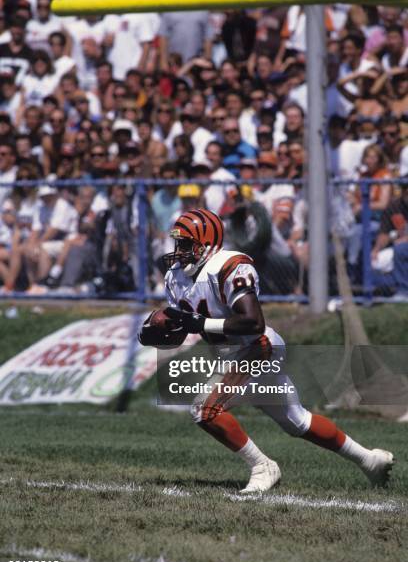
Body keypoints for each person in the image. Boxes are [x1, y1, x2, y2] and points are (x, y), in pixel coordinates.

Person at [138, 208, 394, 492]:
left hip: (258, 347)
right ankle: (370, 460)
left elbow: (252, 322)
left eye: (186, 244)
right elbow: (185, 325)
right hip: (233, 354)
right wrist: (159, 329)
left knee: (205, 408)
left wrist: (198, 322)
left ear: (206, 243)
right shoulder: (176, 277)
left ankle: (263, 467)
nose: (179, 252)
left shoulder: (229, 266)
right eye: (178, 244)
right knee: (298, 422)